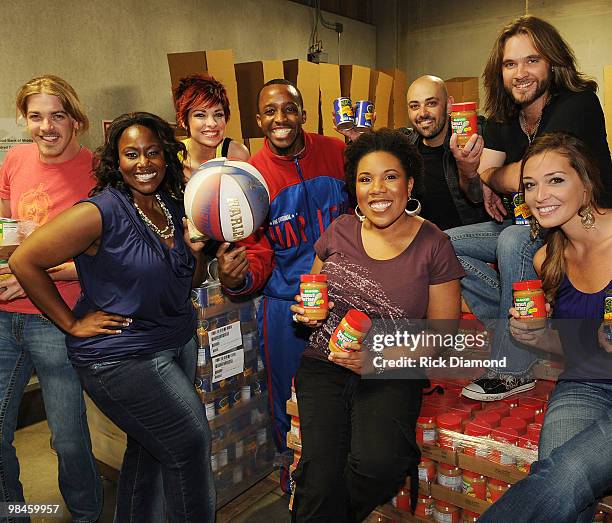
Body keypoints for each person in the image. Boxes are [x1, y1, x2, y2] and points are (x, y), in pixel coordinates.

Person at [9, 112, 215, 522]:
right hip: (122, 356)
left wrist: (199, 254)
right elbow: (25, 260)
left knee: (151, 449)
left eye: (153, 152)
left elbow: (186, 280)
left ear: (167, 156)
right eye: (132, 154)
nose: (144, 163)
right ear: (116, 161)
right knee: (190, 445)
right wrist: (71, 322)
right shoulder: (99, 211)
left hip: (174, 342)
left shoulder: (173, 206)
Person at [289, 129, 463, 521]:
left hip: (393, 368)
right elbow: (313, 294)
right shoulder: (338, 231)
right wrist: (305, 311)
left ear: (410, 183)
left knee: (378, 465)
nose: (377, 189)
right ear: (354, 188)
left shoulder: (434, 244)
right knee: (319, 473)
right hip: (325, 363)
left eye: (390, 176)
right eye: (365, 179)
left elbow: (445, 336)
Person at [448, 15, 612, 401]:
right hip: (536, 226)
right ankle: (524, 323)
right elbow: (476, 188)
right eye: (510, 64)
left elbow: (529, 174)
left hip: (580, 228)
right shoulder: (505, 117)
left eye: (532, 60)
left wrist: (494, 175)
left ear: (553, 64)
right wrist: (469, 169)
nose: (520, 73)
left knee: (512, 239)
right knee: (439, 243)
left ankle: (512, 367)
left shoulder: (578, 103)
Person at [478, 132, 612, 523]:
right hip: (585, 385)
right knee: (560, 486)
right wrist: (540, 338)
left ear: (585, 184)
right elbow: (582, 348)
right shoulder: (545, 258)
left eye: (556, 180)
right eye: (530, 185)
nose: (540, 196)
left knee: (569, 474)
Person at [217, 79, 348, 478]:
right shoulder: (249, 179)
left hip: (346, 300)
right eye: (270, 111)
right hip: (286, 307)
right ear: (258, 120)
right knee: (290, 399)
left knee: (348, 393)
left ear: (303, 115)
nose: (280, 118)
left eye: (289, 109)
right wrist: (237, 278)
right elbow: (256, 252)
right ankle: (293, 477)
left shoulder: (337, 152)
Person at [0, 75, 102, 522]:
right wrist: (8, 267)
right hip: (5, 318)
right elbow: (6, 230)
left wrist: (35, 275)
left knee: (67, 439)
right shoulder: (14, 160)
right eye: (36, 116)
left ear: (75, 120)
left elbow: (111, 252)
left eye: (57, 115)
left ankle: (84, 515)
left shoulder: (98, 170)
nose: (46, 127)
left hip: (56, 320)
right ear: (24, 119)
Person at [403, 75, 488, 230]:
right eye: (415, 106)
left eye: (431, 103)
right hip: (423, 244)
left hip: (466, 244)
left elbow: (478, 197)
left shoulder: (475, 138)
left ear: (449, 105)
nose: (422, 113)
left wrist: (467, 170)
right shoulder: (405, 147)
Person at [174, 73, 250, 178]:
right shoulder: (171, 157)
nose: (212, 123)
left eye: (218, 115)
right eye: (200, 115)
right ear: (183, 120)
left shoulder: (236, 154)